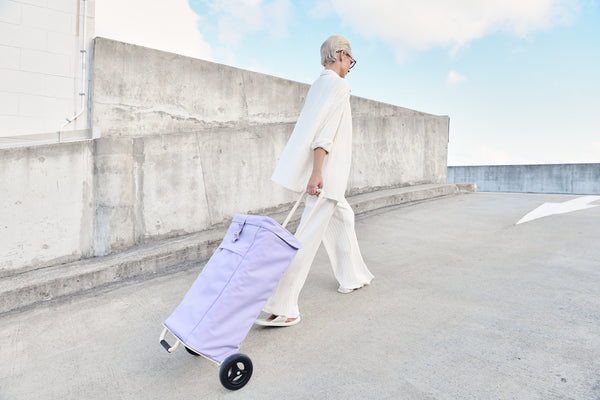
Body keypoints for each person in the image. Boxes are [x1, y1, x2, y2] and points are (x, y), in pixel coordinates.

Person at [255, 35, 374, 327]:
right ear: (342, 55)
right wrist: (317, 172)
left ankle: (352, 277)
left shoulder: (319, 84)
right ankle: (283, 306)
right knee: (305, 240)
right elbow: (325, 133)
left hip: (327, 176)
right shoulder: (340, 85)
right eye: (351, 61)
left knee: (344, 218)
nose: (350, 66)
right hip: (327, 176)